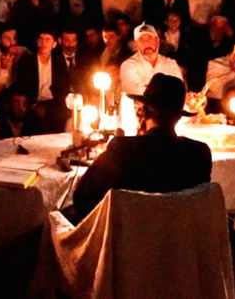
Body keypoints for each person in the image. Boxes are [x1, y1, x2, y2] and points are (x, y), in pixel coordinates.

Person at [70, 74, 212, 219]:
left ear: (142, 111)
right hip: (179, 239)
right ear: (179, 116)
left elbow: (82, 199)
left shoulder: (123, 150)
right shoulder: (200, 153)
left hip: (127, 239)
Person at [119, 22, 184, 95]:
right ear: (136, 44)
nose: (146, 43)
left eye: (150, 38)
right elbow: (134, 90)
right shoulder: (128, 65)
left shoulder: (170, 63)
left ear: (157, 41)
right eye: (141, 40)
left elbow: (179, 91)